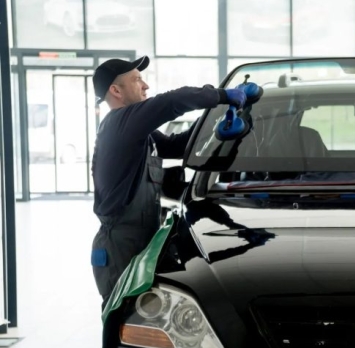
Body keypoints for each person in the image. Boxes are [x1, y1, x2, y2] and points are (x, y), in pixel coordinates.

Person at [89, 55, 247, 307]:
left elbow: (174, 146)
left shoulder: (138, 132)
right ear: (116, 90)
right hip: (120, 246)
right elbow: (172, 101)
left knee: (144, 318)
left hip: (140, 240)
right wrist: (221, 96)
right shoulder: (120, 124)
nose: (145, 86)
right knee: (123, 321)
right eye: (137, 79)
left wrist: (215, 125)